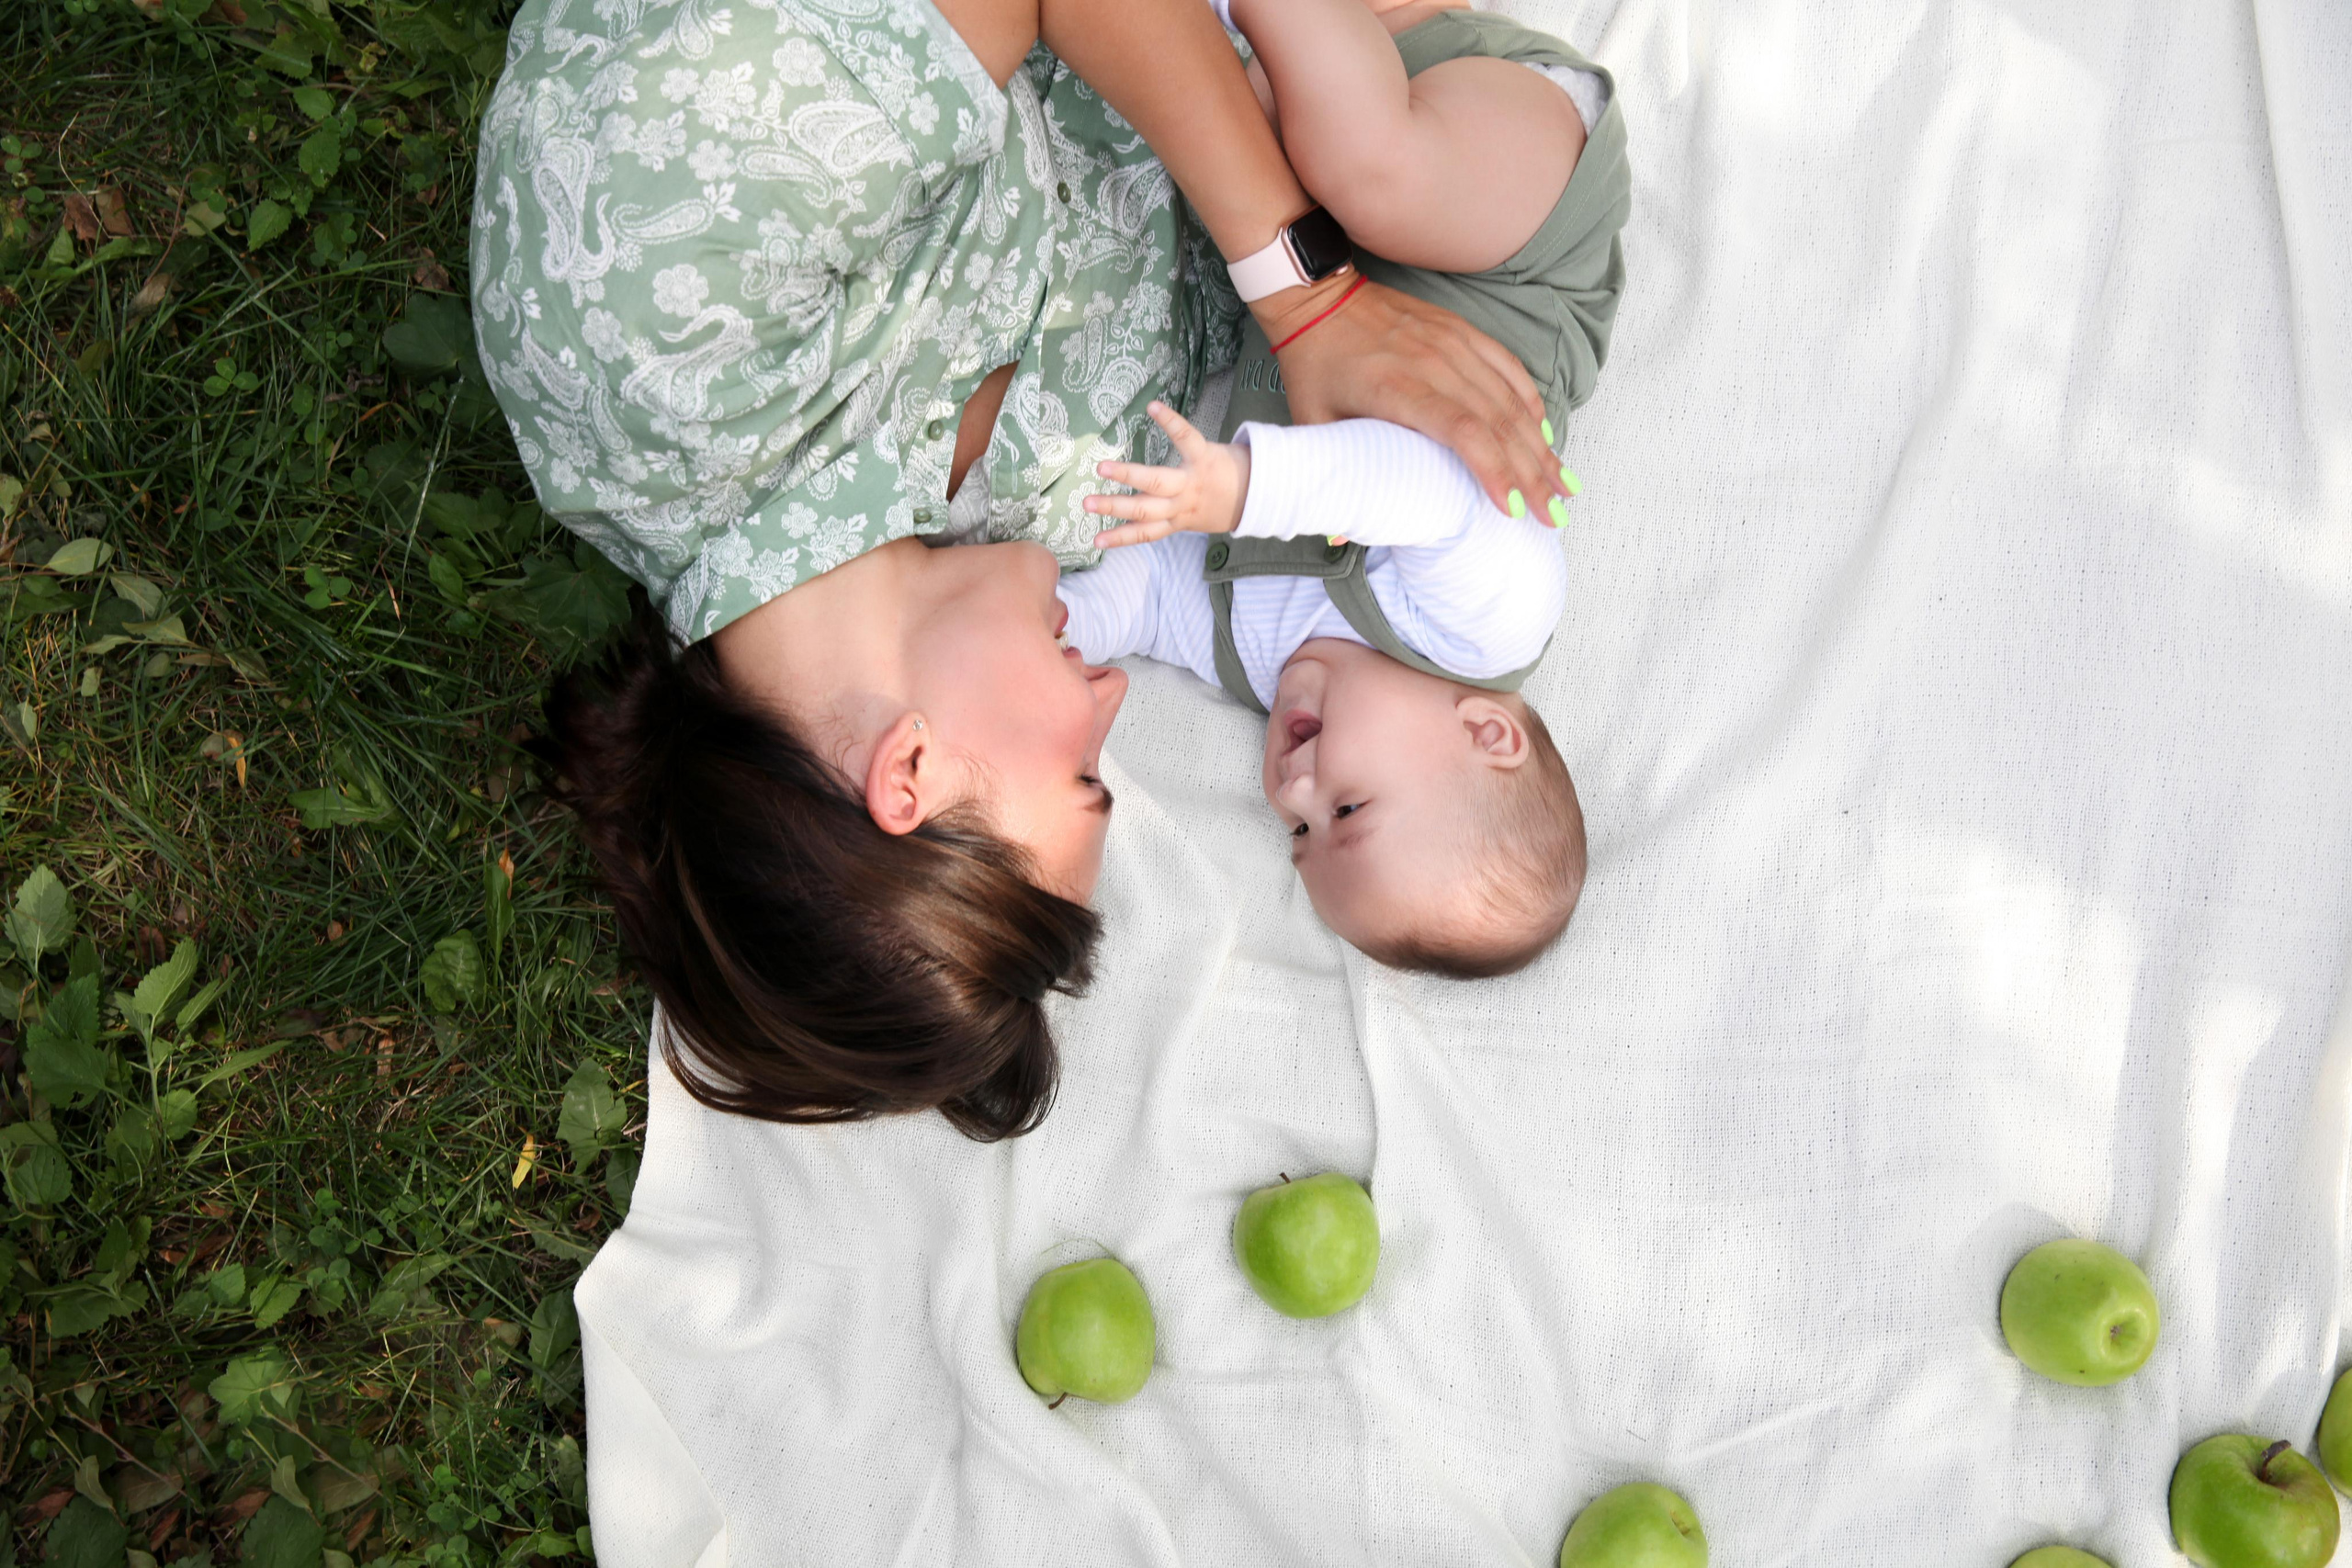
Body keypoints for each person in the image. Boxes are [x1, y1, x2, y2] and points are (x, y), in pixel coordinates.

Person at [471, 0, 1569, 1137]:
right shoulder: (1012, 540)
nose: (1112, 695)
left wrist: (1306, 295)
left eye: (1083, 776)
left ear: (910, 773)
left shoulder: (657, 340)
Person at [1057, 0, 1630, 976]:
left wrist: (1065, 635)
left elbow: (1152, 594)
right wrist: (1248, 491)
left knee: (1211, 125)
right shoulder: (1486, 630)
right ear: (1488, 733)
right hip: (1510, 230)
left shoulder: (1256, 662)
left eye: (1299, 833)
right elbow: (1431, 490)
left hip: (1314, 206)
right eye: (1348, 811)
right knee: (1373, 170)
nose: (1295, 788)